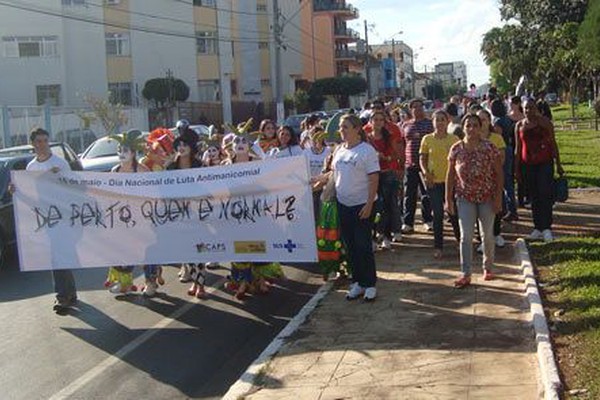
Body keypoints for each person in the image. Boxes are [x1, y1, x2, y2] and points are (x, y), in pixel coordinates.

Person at [315, 114, 379, 301]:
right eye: (341, 127)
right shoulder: (339, 150)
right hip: (343, 205)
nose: (341, 130)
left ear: (357, 129)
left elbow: (374, 178)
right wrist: (318, 180)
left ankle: (370, 284)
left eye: (345, 127)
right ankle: (358, 282)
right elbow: (334, 173)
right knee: (350, 247)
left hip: (362, 205)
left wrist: (369, 204)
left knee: (363, 246)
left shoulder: (367, 151)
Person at [23, 128, 78, 312]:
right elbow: (29, 192)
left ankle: (62, 295)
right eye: (39, 141)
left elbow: (73, 187)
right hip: (45, 219)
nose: (42, 144)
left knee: (59, 256)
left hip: (62, 216)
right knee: (57, 257)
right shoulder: (31, 167)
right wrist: (15, 191)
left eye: (45, 140)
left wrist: (58, 178)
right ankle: (69, 292)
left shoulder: (60, 163)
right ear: (33, 143)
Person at [446, 114, 503, 288]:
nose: (471, 129)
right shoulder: (456, 149)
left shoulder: (489, 148)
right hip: (465, 198)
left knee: (487, 235)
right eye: (468, 125)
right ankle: (466, 273)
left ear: (481, 127)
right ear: (463, 128)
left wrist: (498, 198)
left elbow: (499, 174)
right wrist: (448, 199)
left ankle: (488, 267)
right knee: (466, 236)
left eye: (475, 125)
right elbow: (450, 176)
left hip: (486, 197)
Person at [515, 99, 564, 242]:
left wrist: (559, 164)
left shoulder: (545, 123)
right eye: (525, 109)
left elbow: (553, 143)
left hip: (545, 164)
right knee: (533, 196)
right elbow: (518, 149)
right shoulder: (519, 126)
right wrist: (516, 169)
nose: (528, 111)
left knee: (545, 194)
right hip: (527, 165)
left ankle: (547, 227)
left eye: (531, 107)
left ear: (536, 108)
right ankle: (537, 227)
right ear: (522, 110)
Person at [166, 129, 206, 297]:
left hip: (198, 214)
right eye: (179, 145)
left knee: (200, 250)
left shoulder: (200, 166)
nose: (181, 147)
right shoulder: (171, 167)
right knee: (187, 250)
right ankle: (194, 281)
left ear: (192, 147)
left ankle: (201, 285)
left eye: (185, 144)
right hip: (180, 215)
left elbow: (208, 188)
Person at [419, 110, 460, 258]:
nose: (440, 122)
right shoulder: (427, 139)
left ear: (447, 121)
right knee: (437, 214)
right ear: (433, 122)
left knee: (453, 212)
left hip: (451, 182)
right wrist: (425, 173)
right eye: (437, 120)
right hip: (434, 183)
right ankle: (438, 246)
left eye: (443, 119)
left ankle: (460, 242)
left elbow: (459, 160)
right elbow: (422, 159)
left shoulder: (454, 139)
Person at [367, 110, 401, 250]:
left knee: (387, 206)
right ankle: (373, 237)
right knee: (374, 207)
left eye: (381, 120)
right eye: (375, 119)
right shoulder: (366, 139)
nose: (378, 122)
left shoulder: (389, 137)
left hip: (387, 174)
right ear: (371, 122)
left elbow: (396, 156)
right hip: (372, 175)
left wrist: (385, 157)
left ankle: (387, 236)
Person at [401, 98, 433, 234]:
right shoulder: (405, 125)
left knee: (426, 194)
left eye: (420, 107)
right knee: (409, 194)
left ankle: (428, 220)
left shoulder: (429, 124)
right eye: (415, 107)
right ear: (411, 109)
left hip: (425, 164)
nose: (418, 109)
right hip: (410, 165)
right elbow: (403, 143)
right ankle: (408, 222)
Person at [477, 109, 507, 248]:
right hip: (477, 180)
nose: (481, 122)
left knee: (496, 205)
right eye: (479, 120)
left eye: (484, 119)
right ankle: (482, 237)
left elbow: (501, 158)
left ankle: (496, 233)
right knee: (480, 209)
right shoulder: (472, 139)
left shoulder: (497, 138)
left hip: (494, 177)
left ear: (489, 121)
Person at [491, 99, 519, 221]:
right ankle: (510, 208)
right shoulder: (507, 119)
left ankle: (509, 209)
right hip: (509, 147)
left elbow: (498, 136)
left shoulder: (497, 121)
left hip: (501, 149)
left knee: (504, 181)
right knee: (508, 180)